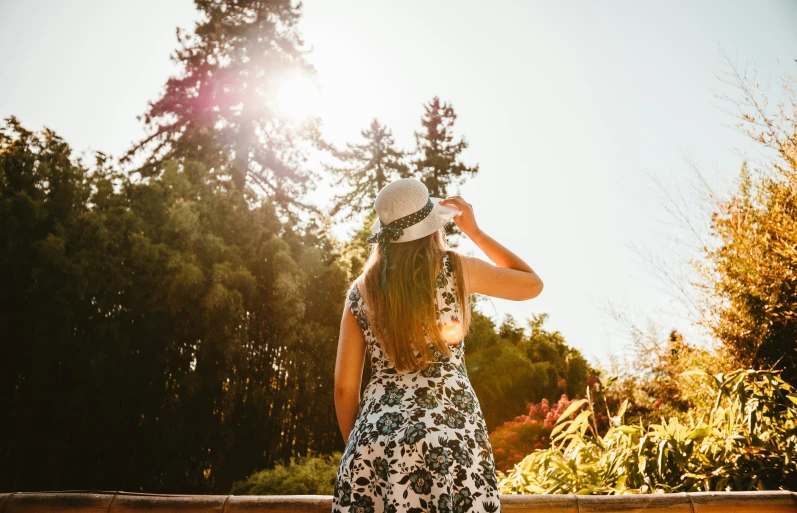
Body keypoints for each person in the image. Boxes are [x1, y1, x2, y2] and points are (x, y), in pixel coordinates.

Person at [332, 178, 543, 513]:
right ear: (432, 227)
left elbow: (345, 389)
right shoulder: (456, 269)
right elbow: (531, 285)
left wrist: (368, 449)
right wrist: (476, 232)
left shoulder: (361, 291)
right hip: (449, 438)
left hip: (373, 441)